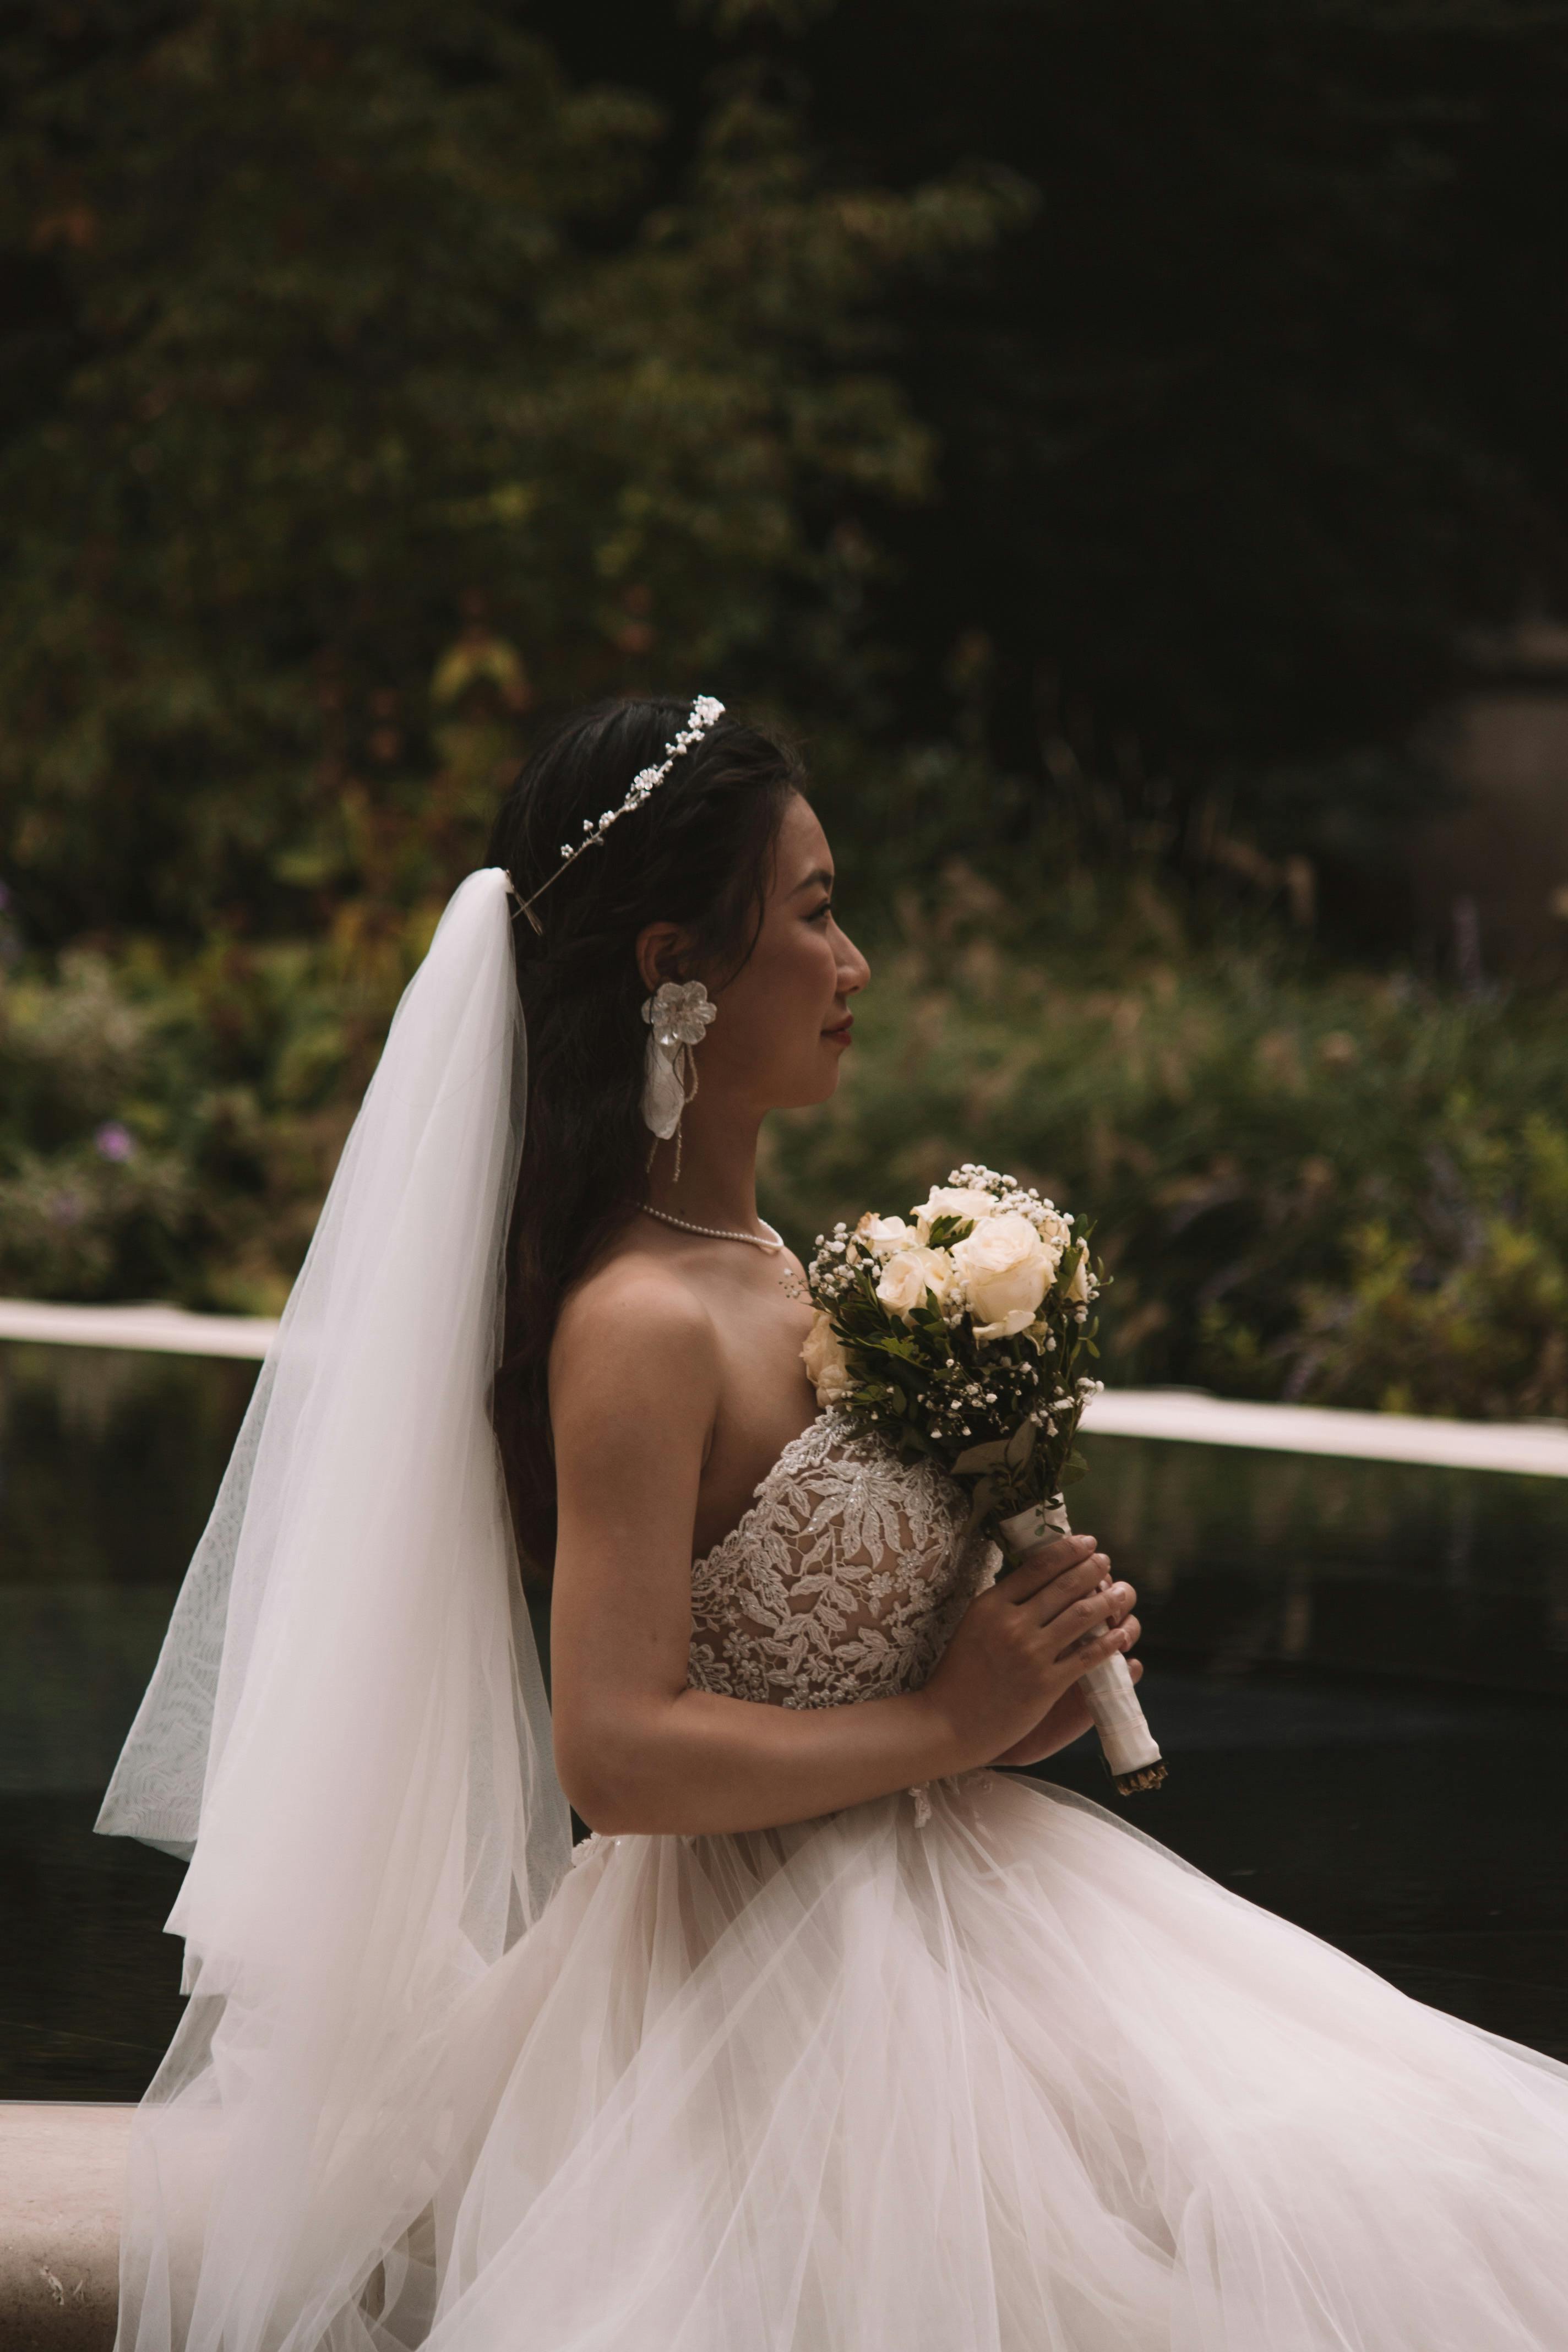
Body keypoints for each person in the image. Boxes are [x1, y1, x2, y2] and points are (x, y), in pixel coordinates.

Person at [98, 696, 1568, 2352]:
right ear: (679, 964)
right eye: (810, 913)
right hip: (754, 1985)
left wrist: (1009, 1677)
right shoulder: (639, 1322)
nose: (854, 960)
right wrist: (944, 1719)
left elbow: (805, 1650)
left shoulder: (778, 1268)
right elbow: (617, 1755)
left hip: (952, 1897)